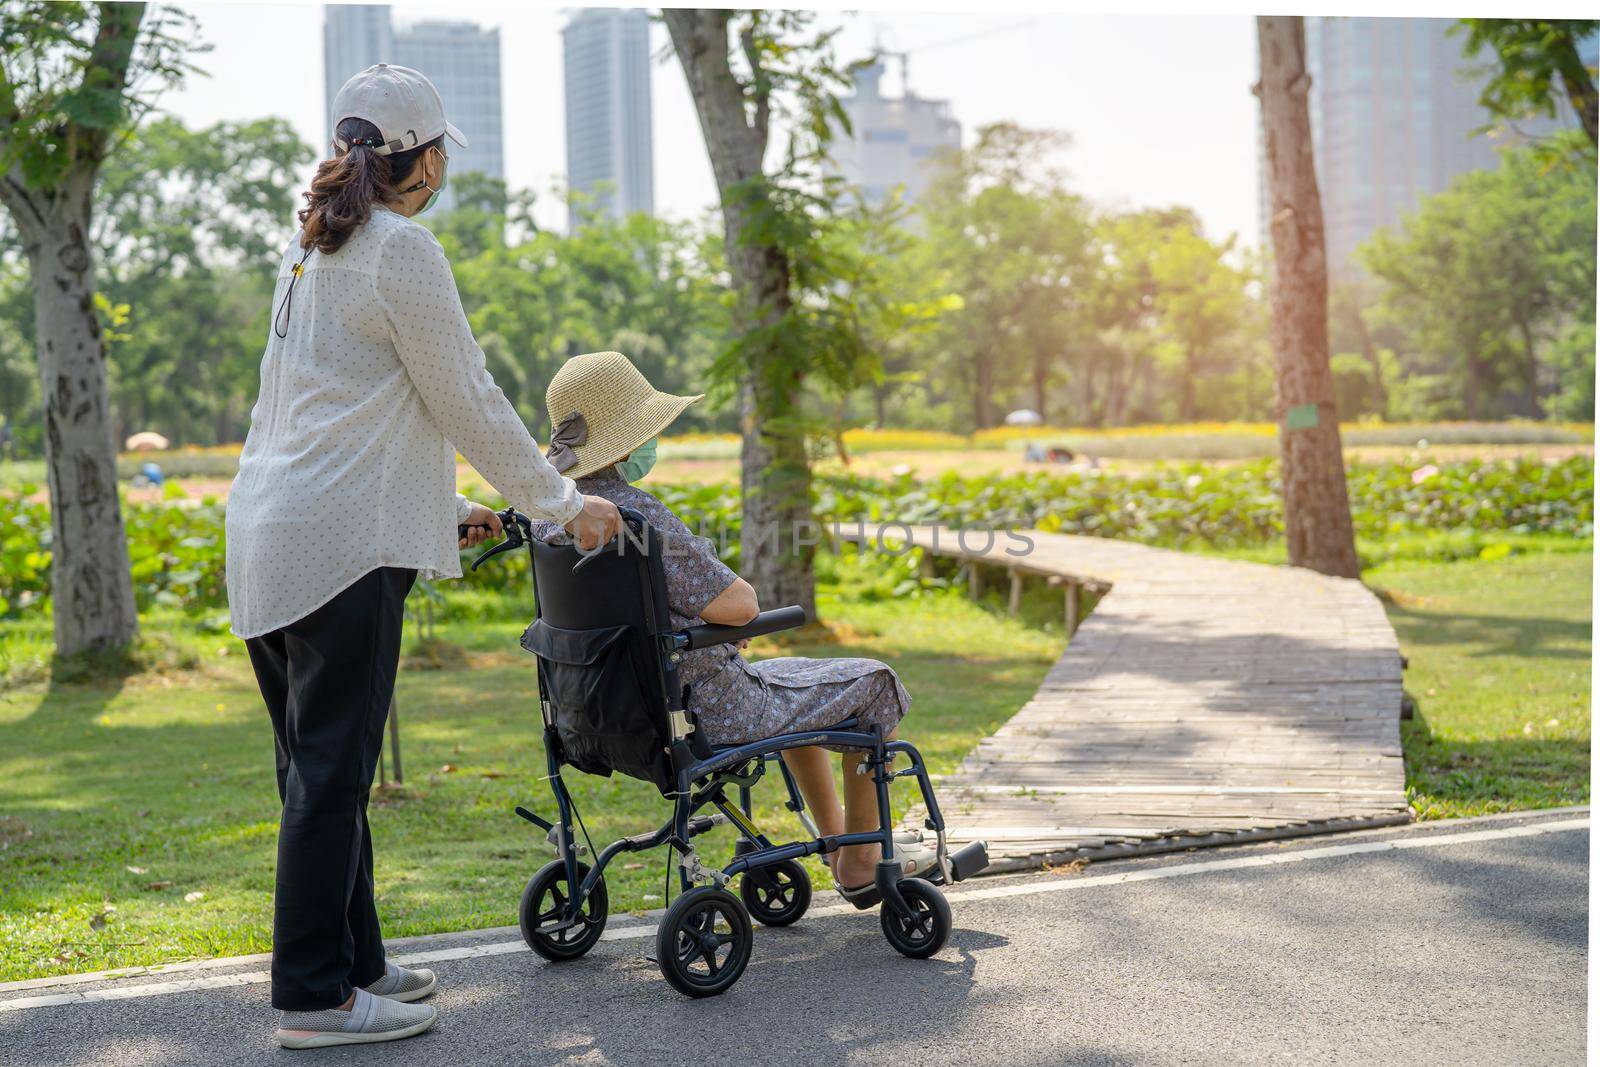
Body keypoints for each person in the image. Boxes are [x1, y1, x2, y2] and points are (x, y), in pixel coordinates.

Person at [225, 64, 621, 1050]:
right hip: (339, 554)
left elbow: (329, 410)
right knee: (331, 774)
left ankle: (354, 965)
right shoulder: (401, 249)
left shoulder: (313, 246)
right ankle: (314, 995)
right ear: (428, 158)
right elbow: (468, 399)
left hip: (270, 538)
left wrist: (445, 508)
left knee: (315, 771)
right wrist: (563, 504)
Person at [527, 351, 934, 905]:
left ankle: (840, 842)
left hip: (602, 715)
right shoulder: (638, 516)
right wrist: (722, 620)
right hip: (706, 708)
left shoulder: (551, 519)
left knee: (802, 695)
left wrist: (701, 623)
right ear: (627, 439)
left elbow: (636, 612)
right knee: (875, 682)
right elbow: (740, 606)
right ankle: (861, 862)